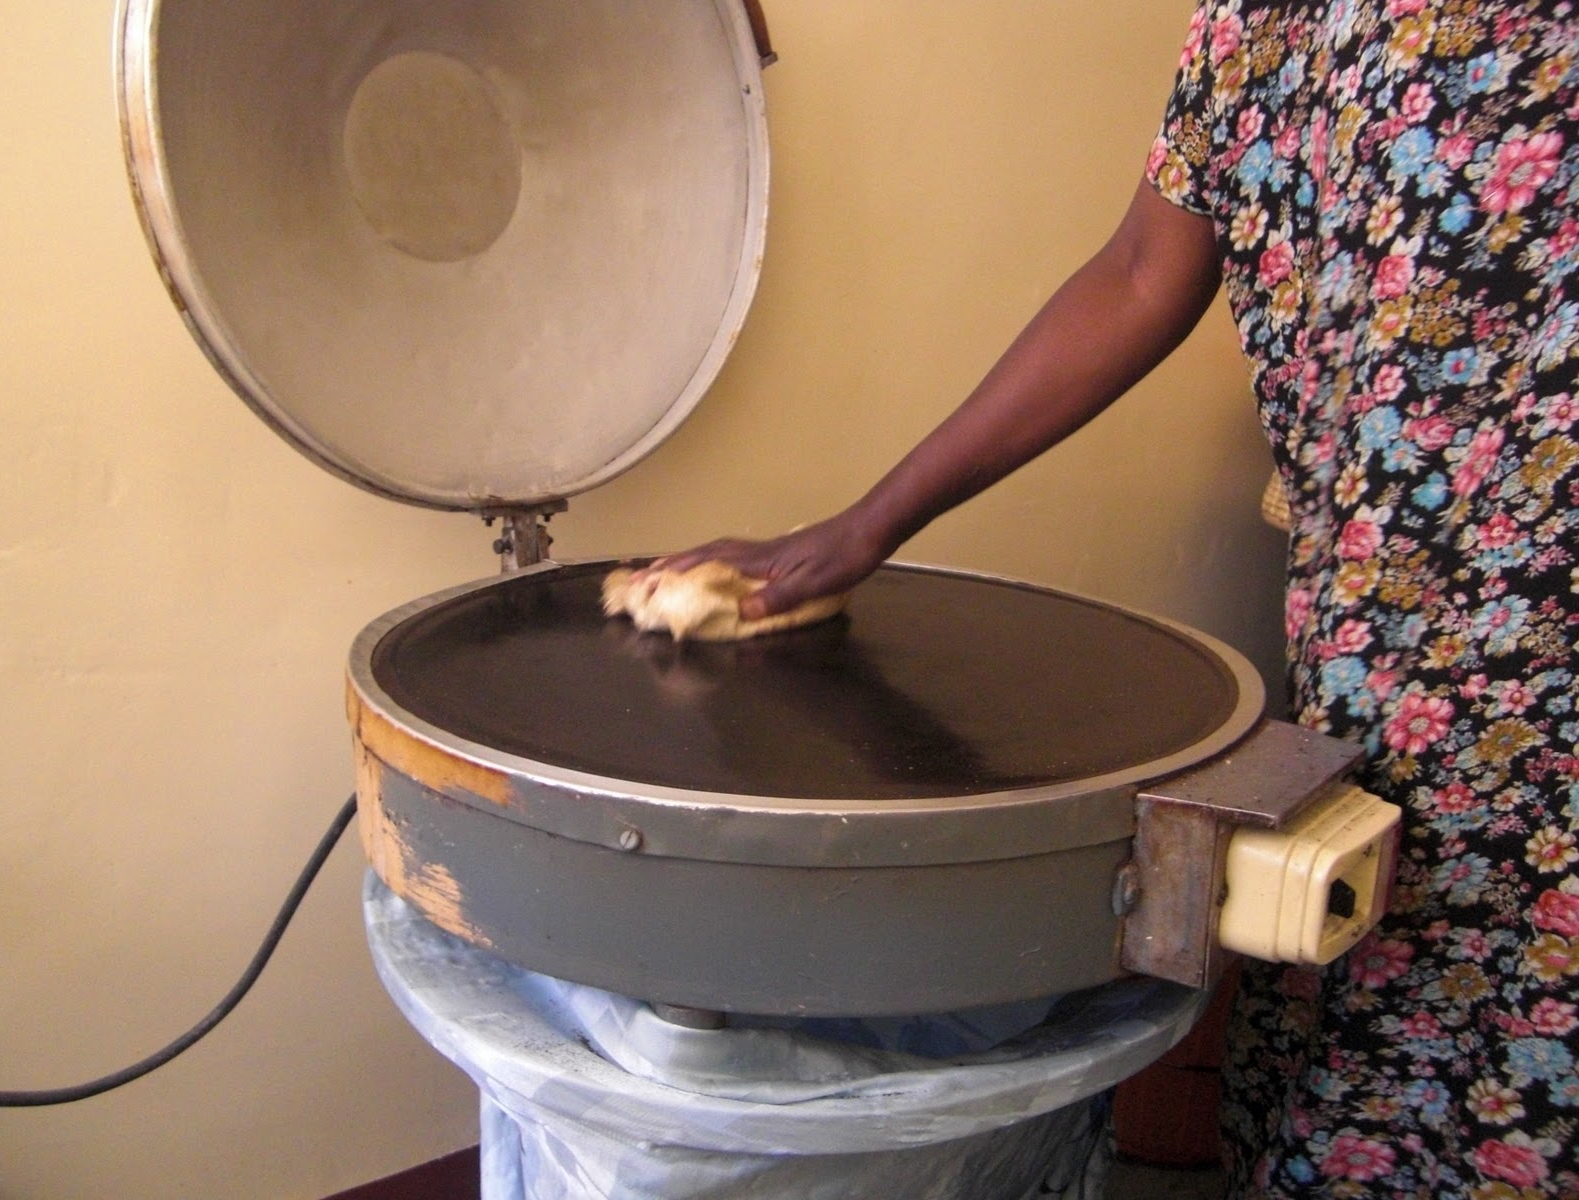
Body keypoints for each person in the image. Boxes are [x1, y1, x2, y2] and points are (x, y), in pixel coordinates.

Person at [662, 2, 1579, 1197]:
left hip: (1541, 641)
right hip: (1378, 641)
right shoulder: (1259, 19)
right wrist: (864, 525)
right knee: (1373, 986)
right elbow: (1144, 269)